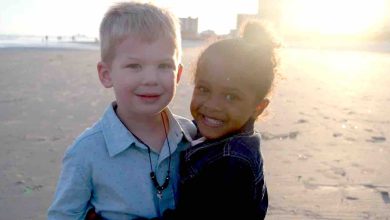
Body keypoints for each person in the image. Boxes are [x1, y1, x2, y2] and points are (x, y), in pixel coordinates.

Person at [47, 2, 196, 219]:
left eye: (164, 66)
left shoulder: (190, 136)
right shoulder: (86, 151)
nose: (150, 79)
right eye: (134, 66)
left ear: (179, 74)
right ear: (106, 74)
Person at [144, 20, 280, 220]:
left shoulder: (232, 164)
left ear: (258, 108)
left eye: (231, 97)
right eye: (204, 89)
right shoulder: (214, 134)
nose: (212, 106)